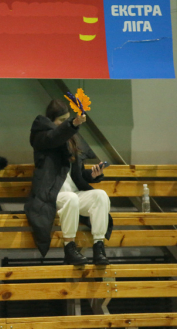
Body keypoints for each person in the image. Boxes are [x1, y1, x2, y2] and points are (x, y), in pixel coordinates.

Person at [25, 99, 113, 266]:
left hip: (72, 193)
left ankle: (99, 246)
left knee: (100, 196)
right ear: (51, 120)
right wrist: (72, 124)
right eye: (62, 120)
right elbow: (54, 137)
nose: (65, 123)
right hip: (50, 195)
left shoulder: (71, 139)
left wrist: (93, 174)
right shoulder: (41, 135)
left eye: (67, 119)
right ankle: (69, 247)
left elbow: (78, 175)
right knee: (71, 199)